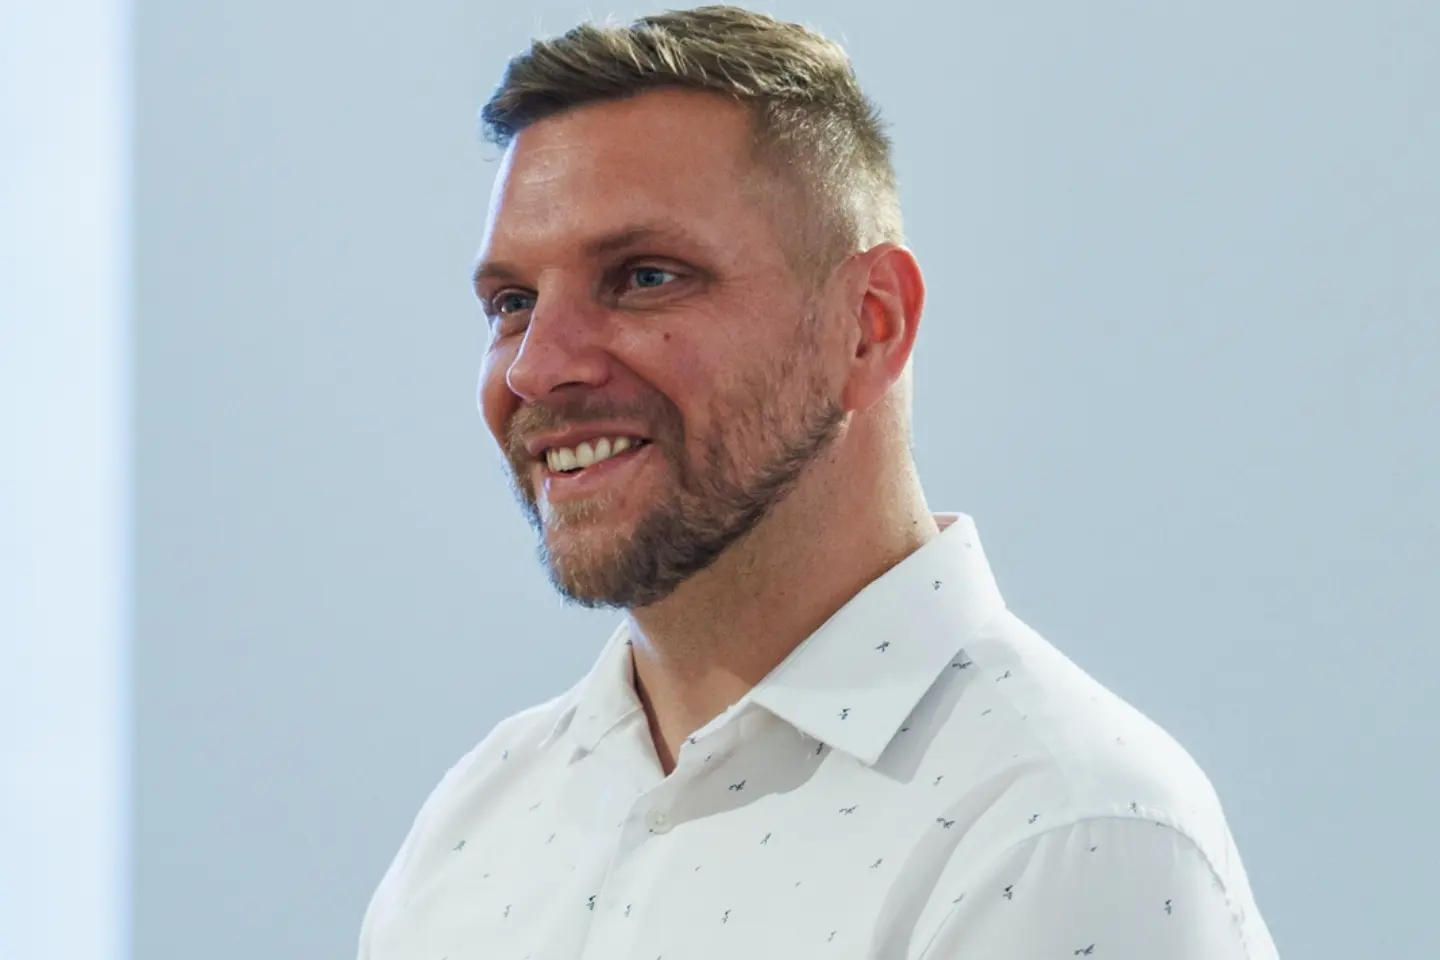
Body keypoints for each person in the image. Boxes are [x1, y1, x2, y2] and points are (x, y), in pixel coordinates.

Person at [357, 6, 1279, 958]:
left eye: (644, 277)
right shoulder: (472, 831)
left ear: (870, 325)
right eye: (512, 303)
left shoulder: (1062, 830)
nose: (537, 367)